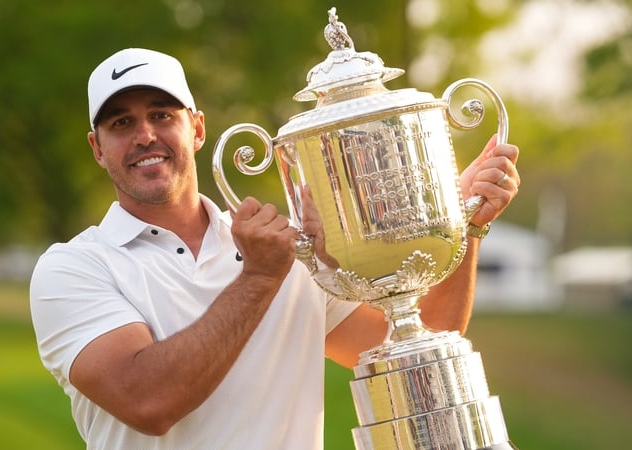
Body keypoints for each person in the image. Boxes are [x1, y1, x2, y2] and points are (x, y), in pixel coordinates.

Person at [29, 47, 520, 450]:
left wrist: (467, 223)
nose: (145, 136)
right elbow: (148, 402)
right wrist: (260, 278)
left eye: (161, 114)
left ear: (196, 128)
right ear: (96, 147)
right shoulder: (74, 268)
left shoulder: (288, 250)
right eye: (121, 123)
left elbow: (416, 340)